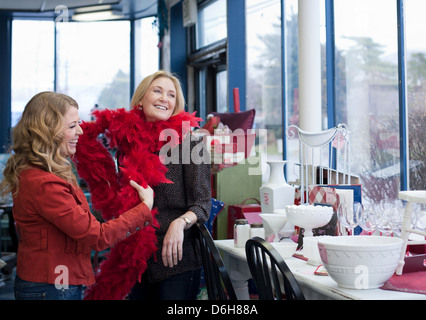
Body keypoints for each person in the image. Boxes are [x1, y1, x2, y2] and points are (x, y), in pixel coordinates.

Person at [0, 92, 154, 300]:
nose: (80, 131)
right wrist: (144, 208)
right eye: (72, 126)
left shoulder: (41, 173)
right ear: (48, 132)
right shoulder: (44, 183)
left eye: (78, 124)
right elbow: (96, 237)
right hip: (53, 287)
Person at [74, 70, 211, 300]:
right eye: (157, 91)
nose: (164, 98)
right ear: (140, 100)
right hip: (137, 260)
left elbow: (203, 204)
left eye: (171, 95)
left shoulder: (190, 143)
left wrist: (180, 222)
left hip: (176, 258)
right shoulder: (127, 144)